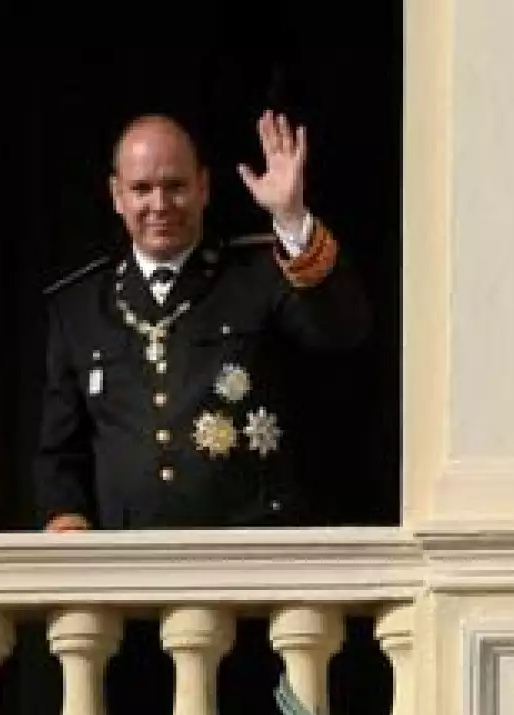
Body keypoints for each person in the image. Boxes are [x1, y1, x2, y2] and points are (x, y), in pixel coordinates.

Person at [35, 110, 371, 531]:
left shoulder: (258, 275)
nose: (160, 205)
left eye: (175, 186)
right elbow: (61, 451)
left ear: (204, 188)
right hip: (127, 562)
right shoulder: (79, 307)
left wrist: (291, 219)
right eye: (142, 189)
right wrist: (67, 522)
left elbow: (342, 331)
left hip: (250, 555)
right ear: (116, 196)